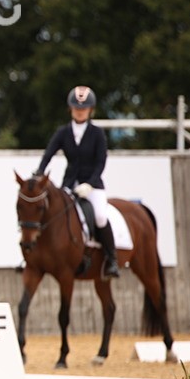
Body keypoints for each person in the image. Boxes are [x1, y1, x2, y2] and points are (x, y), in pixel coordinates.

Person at [36, 85, 120, 278]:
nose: (80, 112)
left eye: (84, 109)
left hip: (92, 185)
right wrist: (40, 172)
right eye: (76, 108)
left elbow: (101, 162)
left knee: (99, 216)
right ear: (70, 109)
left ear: (91, 110)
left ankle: (111, 259)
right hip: (70, 184)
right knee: (52, 212)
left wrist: (90, 183)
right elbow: (49, 153)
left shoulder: (97, 134)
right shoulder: (63, 133)